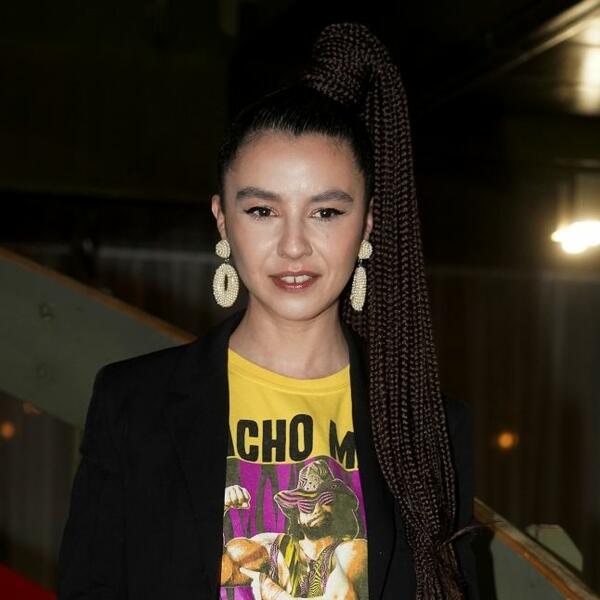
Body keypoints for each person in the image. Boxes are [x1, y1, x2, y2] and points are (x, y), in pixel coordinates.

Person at [57, 22, 479, 600]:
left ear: (367, 224)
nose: (294, 246)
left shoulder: (426, 424)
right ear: (222, 219)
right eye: (262, 211)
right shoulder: (134, 404)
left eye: (326, 212)